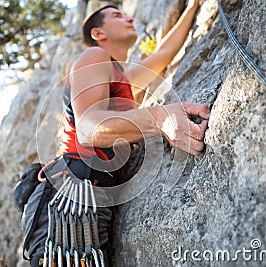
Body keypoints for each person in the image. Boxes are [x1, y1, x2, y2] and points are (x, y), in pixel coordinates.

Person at [24, 1, 210, 266]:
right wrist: (158, 118)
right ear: (98, 33)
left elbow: (165, 53)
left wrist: (193, 7)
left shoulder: (119, 78)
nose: (129, 19)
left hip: (86, 199)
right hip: (71, 197)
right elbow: (88, 128)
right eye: (116, 15)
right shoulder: (94, 57)